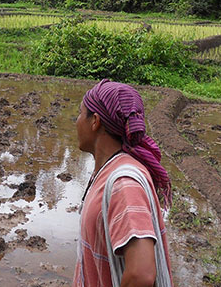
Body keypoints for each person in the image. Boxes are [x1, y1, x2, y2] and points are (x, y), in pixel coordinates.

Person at [73, 79, 172, 287]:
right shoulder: (109, 170)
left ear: (95, 121)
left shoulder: (123, 184)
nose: (76, 121)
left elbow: (141, 275)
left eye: (80, 113)